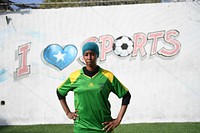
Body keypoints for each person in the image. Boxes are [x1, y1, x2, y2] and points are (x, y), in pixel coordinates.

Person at [56, 42, 131, 133]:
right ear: (83, 57)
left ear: (97, 55)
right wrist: (68, 112)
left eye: (92, 54)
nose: (89, 57)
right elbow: (60, 92)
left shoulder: (107, 76)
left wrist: (118, 120)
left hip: (103, 127)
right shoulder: (74, 76)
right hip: (81, 127)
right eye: (86, 54)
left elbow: (126, 95)